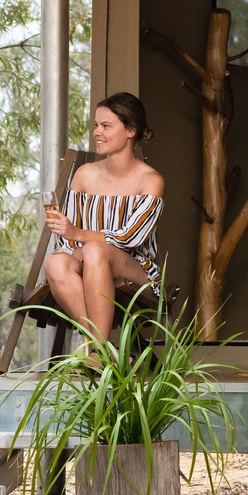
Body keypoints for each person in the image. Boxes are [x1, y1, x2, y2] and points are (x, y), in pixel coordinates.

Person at [42, 93, 165, 344]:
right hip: (87, 260)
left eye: (106, 126)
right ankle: (102, 350)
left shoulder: (150, 181)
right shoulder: (85, 175)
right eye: (96, 126)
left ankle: (95, 351)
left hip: (136, 270)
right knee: (56, 263)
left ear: (131, 130)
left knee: (96, 250)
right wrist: (76, 247)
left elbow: (128, 239)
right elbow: (66, 242)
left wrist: (77, 235)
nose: (97, 132)